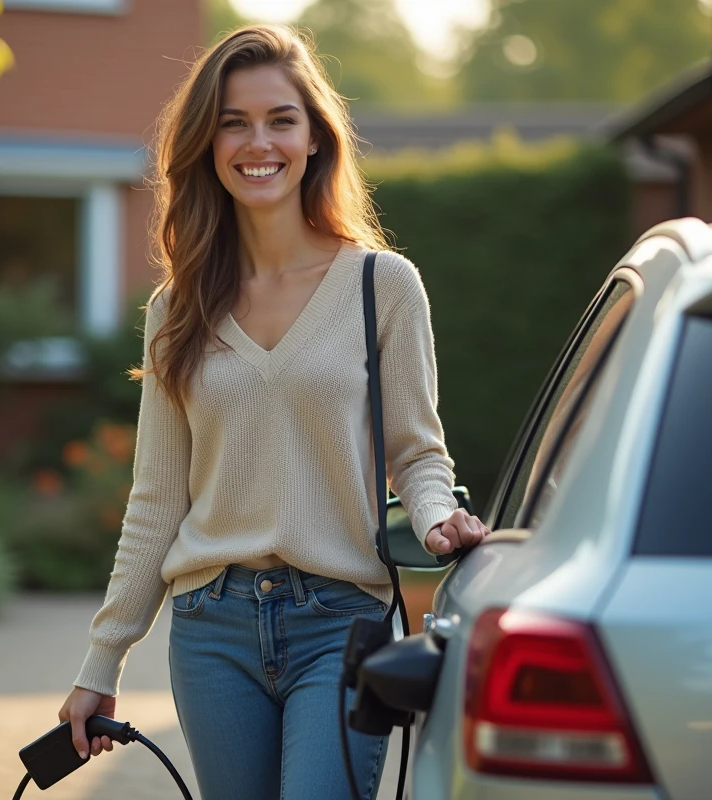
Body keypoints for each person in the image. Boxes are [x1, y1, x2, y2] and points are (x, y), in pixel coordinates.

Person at [57, 23, 490, 800]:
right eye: (234, 121)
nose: (259, 142)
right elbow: (157, 502)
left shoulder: (381, 286)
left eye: (280, 119)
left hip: (340, 622)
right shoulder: (176, 310)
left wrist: (434, 518)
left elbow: (418, 451)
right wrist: (101, 663)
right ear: (208, 144)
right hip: (211, 631)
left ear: (315, 138)